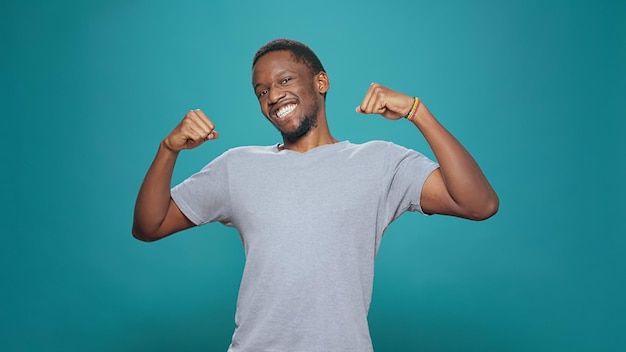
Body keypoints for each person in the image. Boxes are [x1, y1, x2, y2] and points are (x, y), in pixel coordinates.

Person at [132, 38, 498, 352]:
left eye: (284, 80)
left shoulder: (380, 161)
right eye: (262, 91)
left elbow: (478, 203)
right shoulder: (237, 166)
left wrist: (418, 112)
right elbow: (150, 225)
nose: (273, 95)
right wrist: (169, 149)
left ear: (320, 81)